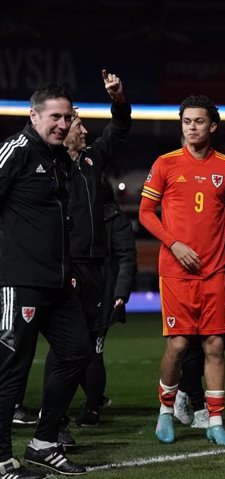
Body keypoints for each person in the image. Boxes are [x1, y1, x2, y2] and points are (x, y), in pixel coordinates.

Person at [139, 94, 225, 448]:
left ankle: (216, 420)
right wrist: (173, 243)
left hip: (215, 273)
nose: (192, 127)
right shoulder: (165, 164)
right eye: (187, 121)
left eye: (199, 121)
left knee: (215, 346)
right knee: (176, 345)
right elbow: (146, 212)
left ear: (213, 126)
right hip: (175, 272)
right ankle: (166, 412)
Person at [0, 84, 91, 478]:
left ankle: (43, 443)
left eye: (67, 117)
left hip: (58, 283)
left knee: (77, 351)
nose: (62, 124)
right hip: (18, 281)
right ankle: (2, 459)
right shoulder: (15, 151)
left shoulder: (57, 159)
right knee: (10, 370)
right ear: (33, 116)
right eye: (54, 116)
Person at [53, 70, 132, 429]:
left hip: (95, 269)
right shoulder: (49, 163)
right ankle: (45, 412)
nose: (84, 131)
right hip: (62, 268)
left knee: (90, 346)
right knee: (65, 346)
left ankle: (89, 408)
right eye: (78, 125)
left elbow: (118, 130)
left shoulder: (90, 160)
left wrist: (117, 98)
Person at [74, 176, 137, 427]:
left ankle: (91, 408)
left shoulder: (114, 219)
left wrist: (120, 292)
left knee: (93, 352)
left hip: (103, 295)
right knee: (74, 351)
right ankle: (95, 398)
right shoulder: (74, 216)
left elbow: (126, 258)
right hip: (75, 294)